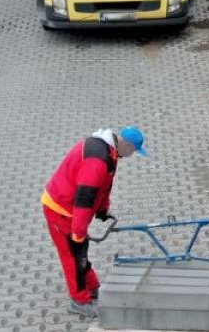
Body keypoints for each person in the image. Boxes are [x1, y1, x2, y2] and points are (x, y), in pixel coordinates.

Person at [41, 126, 148, 317]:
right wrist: (79, 231)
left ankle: (93, 287)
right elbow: (85, 198)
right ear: (126, 144)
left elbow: (103, 187)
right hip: (61, 210)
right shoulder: (97, 161)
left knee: (79, 253)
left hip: (70, 209)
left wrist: (102, 210)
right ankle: (79, 301)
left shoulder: (109, 152)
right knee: (73, 256)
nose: (131, 155)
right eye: (133, 151)